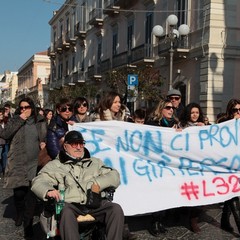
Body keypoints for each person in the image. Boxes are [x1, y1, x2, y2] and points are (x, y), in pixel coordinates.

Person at [31, 130, 124, 240]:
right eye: (75, 144)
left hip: (94, 203)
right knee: (66, 212)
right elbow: (38, 180)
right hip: (71, 204)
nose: (79, 147)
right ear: (65, 146)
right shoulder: (55, 165)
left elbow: (114, 175)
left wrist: (95, 183)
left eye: (81, 144)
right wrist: (47, 190)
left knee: (115, 209)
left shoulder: (94, 162)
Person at [0, 97, 47, 239]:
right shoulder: (15, 119)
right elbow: (5, 134)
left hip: (34, 161)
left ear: (32, 108)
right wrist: (20, 118)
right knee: (19, 193)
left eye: (27, 107)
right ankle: (20, 212)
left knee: (30, 194)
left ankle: (28, 223)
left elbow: (44, 134)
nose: (24, 109)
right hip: (19, 161)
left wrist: (43, 142)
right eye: (21, 107)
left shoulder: (39, 121)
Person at [145, 99, 179, 236]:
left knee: (166, 193)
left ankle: (161, 221)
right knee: (156, 194)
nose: (171, 110)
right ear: (161, 109)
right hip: (155, 164)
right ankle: (154, 222)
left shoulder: (175, 124)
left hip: (169, 165)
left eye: (172, 108)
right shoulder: (151, 124)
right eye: (168, 107)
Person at [178, 102, 205, 233]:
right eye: (192, 112)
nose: (195, 115)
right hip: (185, 166)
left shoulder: (204, 126)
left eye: (197, 113)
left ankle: (194, 219)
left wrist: (205, 128)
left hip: (199, 166)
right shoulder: (181, 126)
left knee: (198, 192)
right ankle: (182, 211)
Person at [217, 98, 240, 233]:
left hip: (238, 164)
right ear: (230, 111)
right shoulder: (223, 124)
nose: (238, 112)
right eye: (235, 110)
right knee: (233, 193)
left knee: (230, 194)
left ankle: (224, 221)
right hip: (226, 164)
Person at [0, 108, 6, 178]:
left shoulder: (3, 122)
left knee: (2, 158)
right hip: (0, 143)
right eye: (0, 114)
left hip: (3, 143)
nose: (1, 116)